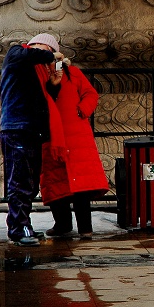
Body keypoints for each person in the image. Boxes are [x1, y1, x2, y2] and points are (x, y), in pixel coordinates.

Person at [0, 33, 65, 246]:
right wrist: (50, 54)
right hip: (17, 128)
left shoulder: (35, 69)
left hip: (30, 130)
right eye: (45, 50)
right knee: (19, 181)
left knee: (29, 182)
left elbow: (41, 102)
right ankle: (18, 229)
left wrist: (54, 85)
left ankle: (22, 225)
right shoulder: (17, 53)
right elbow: (29, 55)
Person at [40, 49, 109, 239]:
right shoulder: (40, 73)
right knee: (56, 181)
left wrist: (81, 110)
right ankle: (63, 224)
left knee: (81, 187)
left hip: (75, 135)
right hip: (53, 133)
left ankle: (84, 228)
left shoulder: (71, 73)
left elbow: (90, 94)